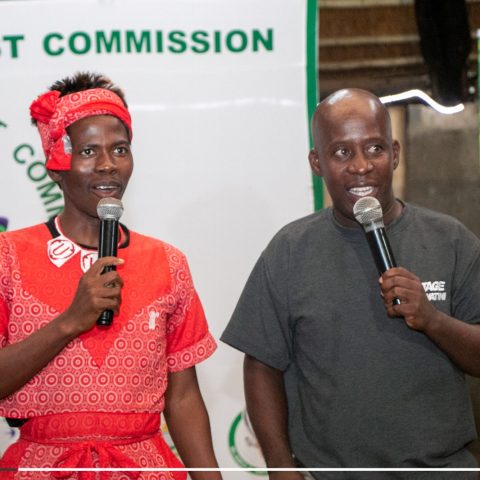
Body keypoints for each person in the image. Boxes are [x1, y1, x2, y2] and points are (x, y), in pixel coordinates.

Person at [221, 88, 480, 479]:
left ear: (395, 153)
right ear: (317, 162)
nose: (361, 166)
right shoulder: (289, 250)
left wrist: (432, 319)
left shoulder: (451, 240)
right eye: (342, 152)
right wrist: (281, 469)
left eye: (374, 148)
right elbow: (261, 366)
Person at [0, 72, 222, 480]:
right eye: (88, 151)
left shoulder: (167, 263)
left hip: (144, 466)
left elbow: (183, 398)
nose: (107, 165)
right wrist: (71, 321)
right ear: (56, 167)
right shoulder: (7, 257)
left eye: (120, 149)